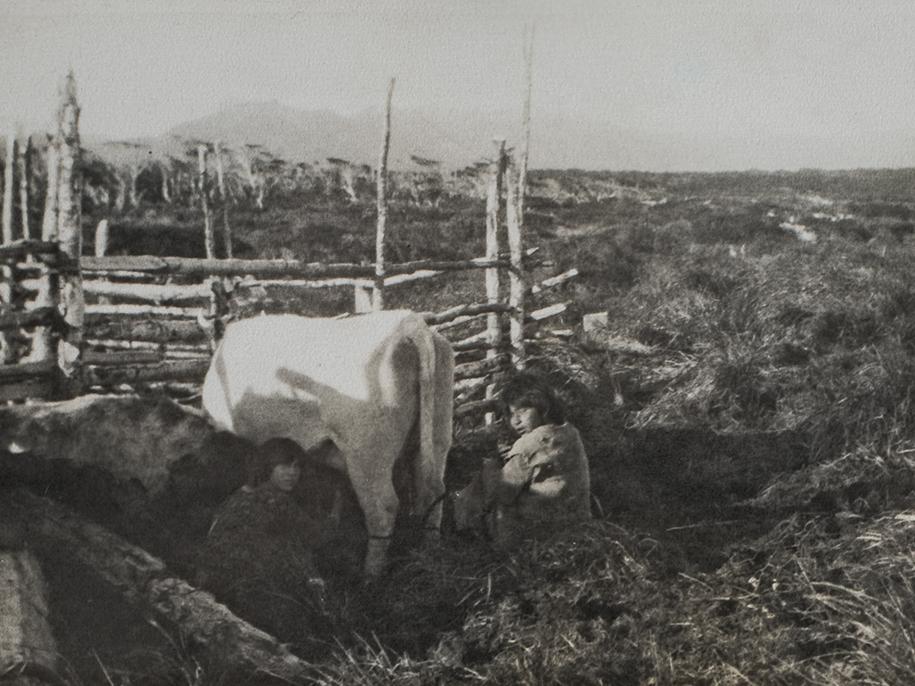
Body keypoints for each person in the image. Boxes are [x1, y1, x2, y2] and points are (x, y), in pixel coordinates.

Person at [195, 437, 331, 650]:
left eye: (297, 467)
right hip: (250, 593)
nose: (292, 473)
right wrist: (336, 512)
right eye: (284, 465)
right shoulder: (276, 499)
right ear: (268, 466)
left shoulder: (239, 494)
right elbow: (318, 538)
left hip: (212, 586)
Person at [454, 373, 592, 548]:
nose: (516, 420)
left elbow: (503, 493)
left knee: (487, 472)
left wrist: (492, 470)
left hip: (533, 534)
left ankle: (466, 534)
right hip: (575, 524)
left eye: (524, 410)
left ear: (543, 407)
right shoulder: (570, 432)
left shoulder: (529, 444)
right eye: (512, 413)